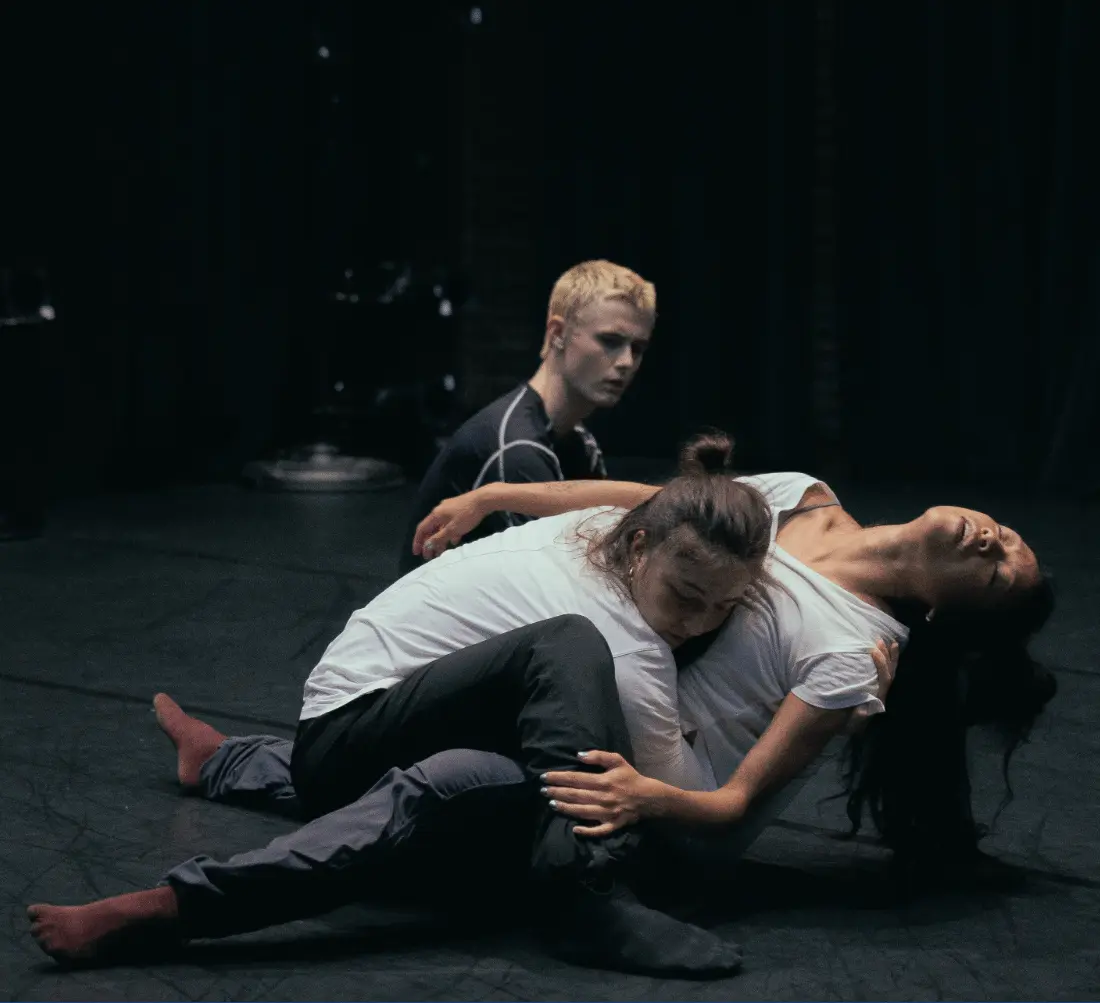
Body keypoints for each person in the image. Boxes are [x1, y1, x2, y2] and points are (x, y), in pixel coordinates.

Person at [28, 434, 777, 978]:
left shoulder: (593, 531)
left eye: (723, 609)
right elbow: (689, 816)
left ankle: (224, 760)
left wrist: (494, 496)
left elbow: (617, 495)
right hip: (356, 742)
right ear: (643, 546)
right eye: (686, 596)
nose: (696, 622)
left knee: (507, 759)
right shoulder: (628, 645)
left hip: (334, 728)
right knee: (487, 751)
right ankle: (579, 891)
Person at [413, 469, 1057, 880]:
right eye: (1006, 535)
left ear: (946, 613)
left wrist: (643, 796)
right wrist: (493, 497)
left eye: (996, 572)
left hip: (675, 809)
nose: (990, 541)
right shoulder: (803, 496)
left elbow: (733, 805)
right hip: (619, 704)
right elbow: (647, 503)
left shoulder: (856, 644)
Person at [397, 259, 655, 574]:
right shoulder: (517, 448)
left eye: (638, 348)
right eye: (610, 341)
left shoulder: (578, 442)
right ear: (558, 332)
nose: (627, 362)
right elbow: (568, 583)